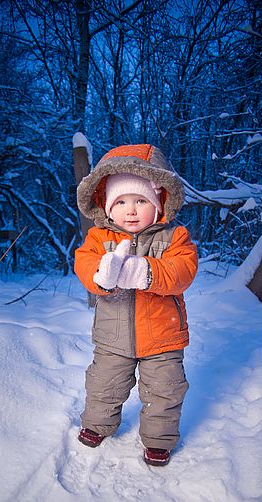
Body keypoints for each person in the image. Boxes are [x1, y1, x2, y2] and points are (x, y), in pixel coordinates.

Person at [74, 144, 198, 466]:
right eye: (122, 202)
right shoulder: (100, 239)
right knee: (104, 384)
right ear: (107, 206)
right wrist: (101, 274)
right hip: (113, 338)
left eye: (141, 201)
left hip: (163, 337)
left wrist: (144, 271)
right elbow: (83, 264)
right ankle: (98, 424)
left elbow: (182, 271)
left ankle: (158, 440)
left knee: (164, 391)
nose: (131, 210)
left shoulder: (174, 237)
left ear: (158, 204)